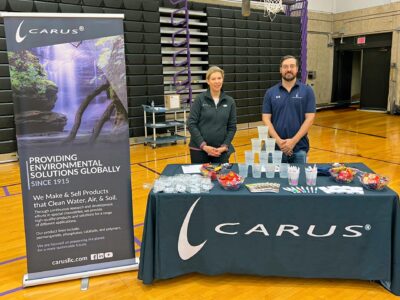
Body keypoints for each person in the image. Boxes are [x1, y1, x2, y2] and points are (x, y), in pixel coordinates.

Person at [262, 55, 316, 163]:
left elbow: (310, 118)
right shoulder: (270, 92)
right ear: (280, 69)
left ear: (297, 69)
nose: (289, 69)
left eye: (292, 66)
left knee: (298, 180)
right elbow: (266, 119)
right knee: (273, 180)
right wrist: (279, 142)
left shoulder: (307, 91)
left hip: (299, 149)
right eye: (285, 66)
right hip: (275, 149)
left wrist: (293, 141)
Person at [188, 66, 237, 164]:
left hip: (220, 151)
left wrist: (225, 146)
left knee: (221, 178)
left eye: (219, 78)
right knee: (200, 179)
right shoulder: (200, 99)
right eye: (213, 79)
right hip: (199, 150)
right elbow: (191, 123)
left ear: (222, 80)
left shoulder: (230, 101)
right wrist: (203, 146)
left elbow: (232, 127)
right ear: (208, 81)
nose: (217, 81)